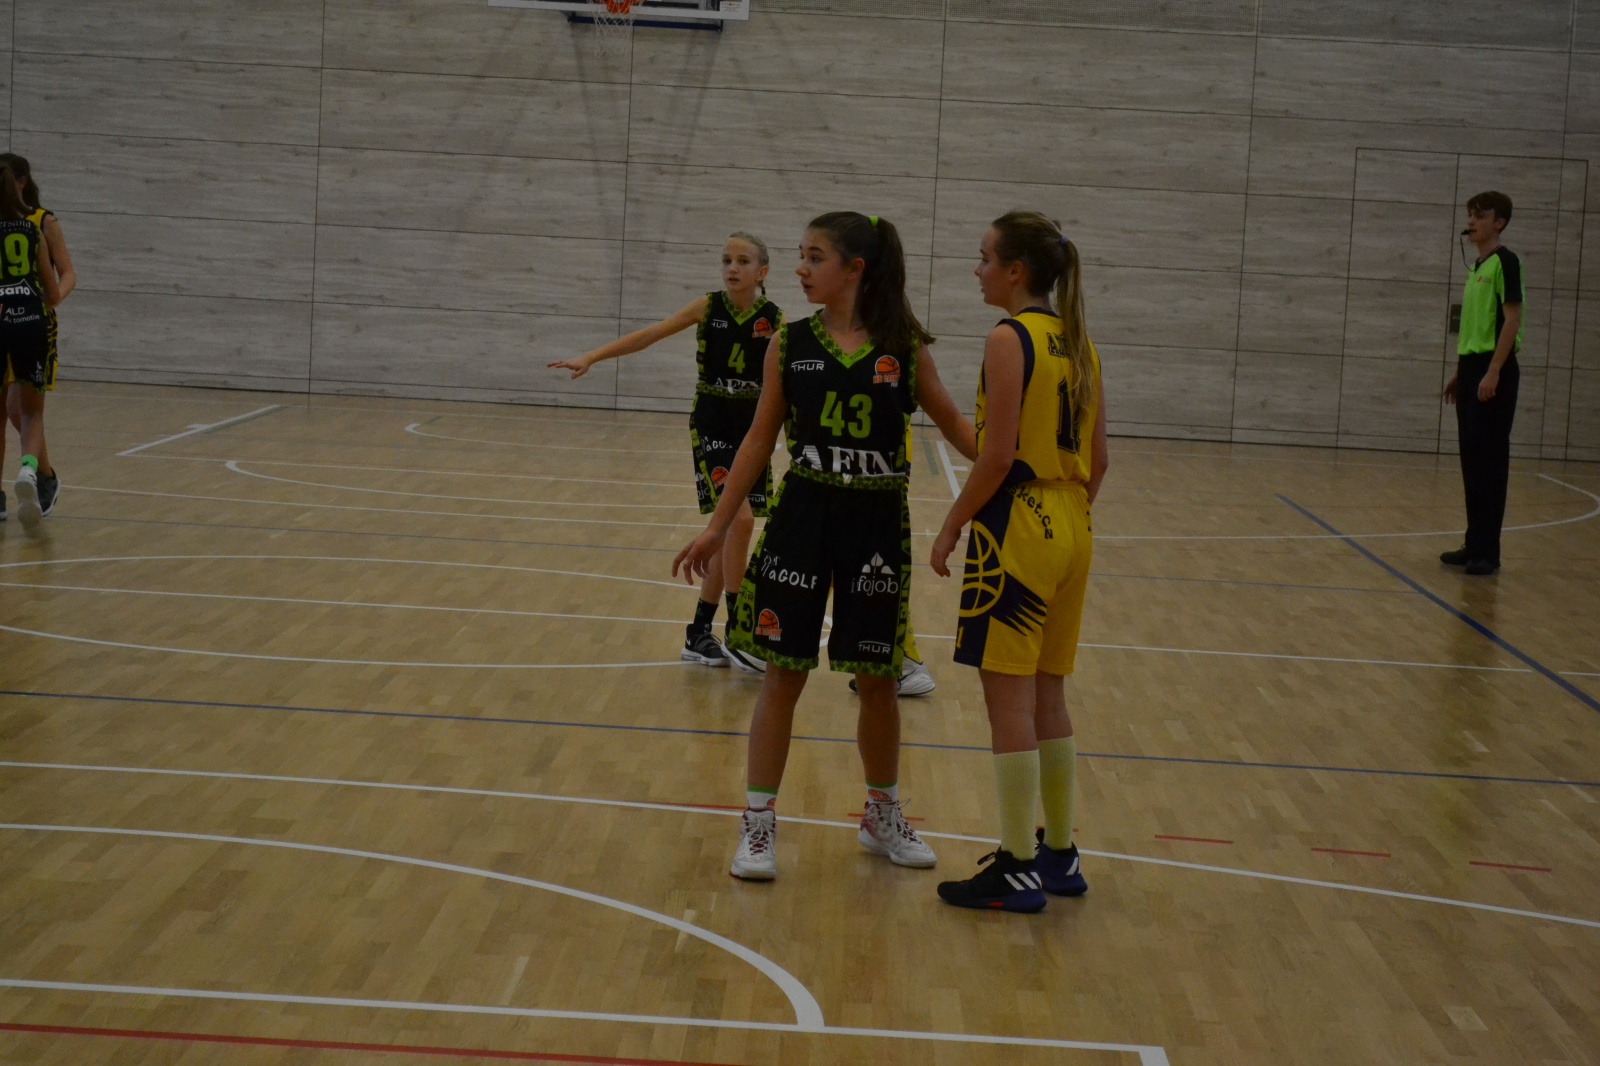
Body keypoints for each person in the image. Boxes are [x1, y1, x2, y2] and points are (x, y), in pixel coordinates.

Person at [673, 211, 978, 881]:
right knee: (783, 674)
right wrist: (717, 526)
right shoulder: (790, 341)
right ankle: (758, 822)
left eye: (815, 257)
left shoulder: (903, 346)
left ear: (854, 269)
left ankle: (881, 813)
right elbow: (758, 439)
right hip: (803, 518)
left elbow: (956, 422)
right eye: (801, 256)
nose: (802, 268)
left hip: (876, 525)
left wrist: (1011, 462)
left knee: (878, 680)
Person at [930, 211, 1107, 913]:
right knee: (1048, 695)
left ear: (1015, 271)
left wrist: (952, 524)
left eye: (983, 258)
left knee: (1007, 700)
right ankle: (1059, 853)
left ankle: (1017, 865)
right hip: (1074, 520)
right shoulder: (1079, 340)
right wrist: (1064, 519)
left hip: (1021, 526)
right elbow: (1099, 460)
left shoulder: (1009, 338)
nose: (976, 270)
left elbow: (997, 455)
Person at [550, 234, 778, 669]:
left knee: (729, 530)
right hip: (713, 425)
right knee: (740, 520)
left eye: (743, 261)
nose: (732, 267)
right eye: (726, 259)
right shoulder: (707, 307)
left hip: (752, 431)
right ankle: (739, 631)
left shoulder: (775, 320)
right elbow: (650, 335)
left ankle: (699, 632)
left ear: (762, 272)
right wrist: (593, 356)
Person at [1441, 190, 1521, 577]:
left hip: (1494, 370)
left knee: (1490, 462)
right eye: (1470, 215)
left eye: (1480, 216)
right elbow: (1476, 327)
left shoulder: (1506, 262)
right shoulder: (1476, 267)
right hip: (1473, 369)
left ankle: (1488, 552)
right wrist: (1463, 372)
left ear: (1499, 223)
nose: (1471, 222)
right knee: (1471, 461)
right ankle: (1473, 544)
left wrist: (1493, 370)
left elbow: (1512, 319)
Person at [0, 153, 72, 524]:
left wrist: (51, 300)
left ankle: (42, 476)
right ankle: (36, 472)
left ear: (22, 182)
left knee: (17, 408)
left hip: (32, 320)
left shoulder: (44, 221)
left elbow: (67, 274)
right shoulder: (27, 232)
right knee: (21, 410)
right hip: (26, 321)